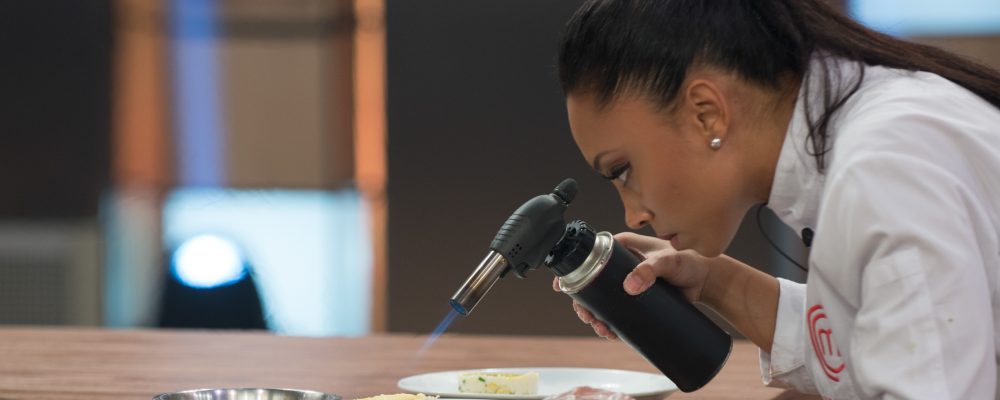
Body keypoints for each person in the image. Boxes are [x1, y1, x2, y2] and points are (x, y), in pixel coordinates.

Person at [555, 0, 1000, 399]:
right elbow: (873, 347)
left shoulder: (886, 165)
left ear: (705, 114)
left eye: (623, 170)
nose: (634, 215)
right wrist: (711, 280)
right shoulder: (866, 130)